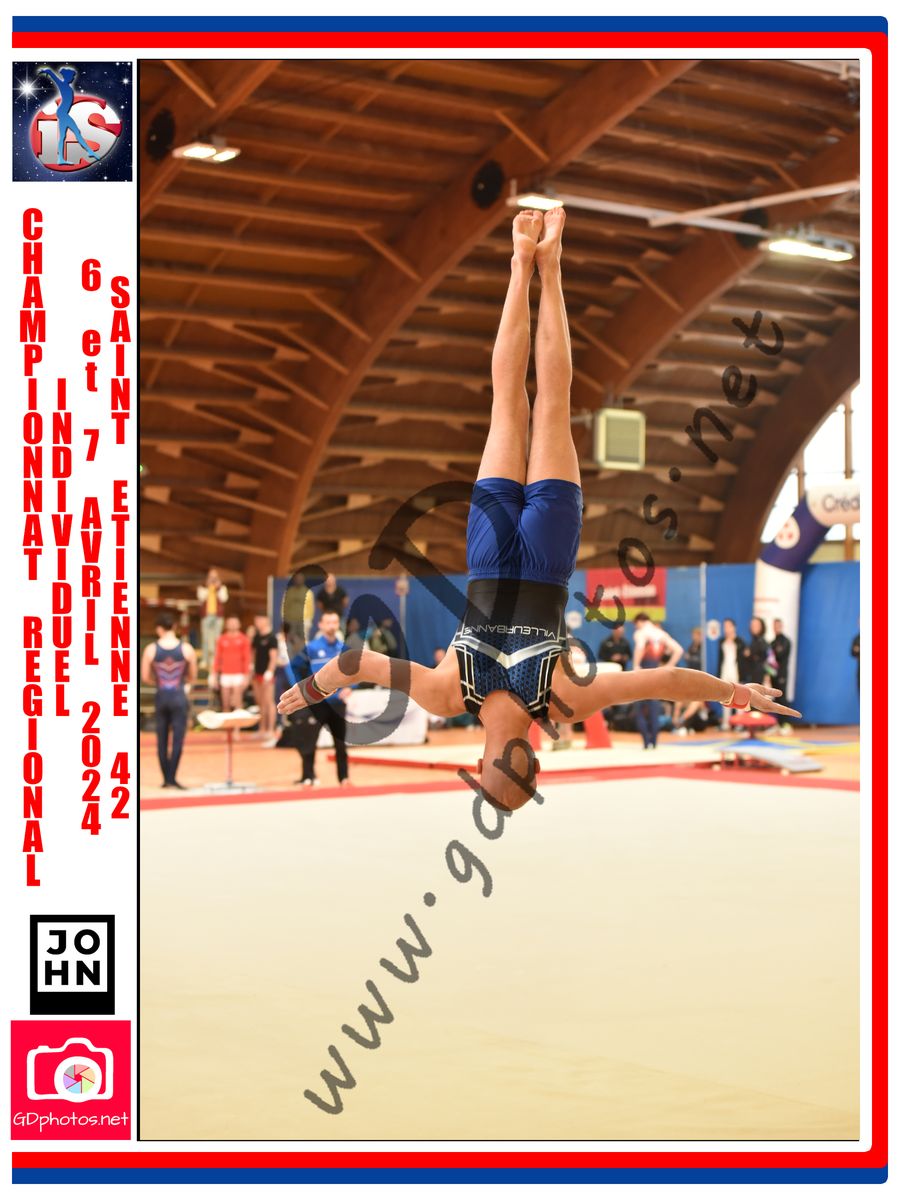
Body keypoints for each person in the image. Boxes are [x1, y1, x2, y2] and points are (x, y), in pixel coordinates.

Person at [278, 210, 798, 811]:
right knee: (507, 403)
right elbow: (353, 663)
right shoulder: (449, 695)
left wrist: (736, 694)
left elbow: (665, 681)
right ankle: (519, 261)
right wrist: (311, 687)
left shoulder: (563, 701)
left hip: (547, 557)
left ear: (536, 759)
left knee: (551, 402)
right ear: (479, 764)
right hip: (489, 555)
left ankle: (548, 264)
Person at [288, 612, 352, 787]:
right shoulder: (312, 648)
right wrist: (301, 689)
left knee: (340, 744)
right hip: (317, 704)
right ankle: (308, 776)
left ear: (338, 624)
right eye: (328, 622)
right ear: (321, 625)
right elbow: (292, 667)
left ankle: (344, 778)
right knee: (310, 741)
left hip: (337, 705)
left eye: (334, 622)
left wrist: (350, 688)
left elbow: (355, 671)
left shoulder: (343, 649)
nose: (331, 625)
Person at [141, 612, 197, 789]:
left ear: (159, 629)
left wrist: (159, 682)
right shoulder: (186, 649)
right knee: (178, 738)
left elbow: (145, 677)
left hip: (161, 696)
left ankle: (165, 779)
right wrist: (180, 682)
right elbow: (192, 676)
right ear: (174, 627)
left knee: (162, 739)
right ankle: (172, 777)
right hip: (178, 695)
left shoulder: (151, 649)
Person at [632, 614, 683, 749]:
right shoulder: (661, 634)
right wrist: (668, 666)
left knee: (639, 709)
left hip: (643, 675)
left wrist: (636, 666)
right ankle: (654, 743)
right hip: (655, 675)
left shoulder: (640, 633)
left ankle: (646, 743)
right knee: (654, 709)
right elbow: (679, 650)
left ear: (639, 622)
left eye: (635, 625)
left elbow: (640, 648)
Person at [209, 615, 251, 712]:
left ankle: (238, 722)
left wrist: (246, 676)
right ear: (226, 625)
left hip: (238, 674)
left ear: (239, 624)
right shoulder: (221, 639)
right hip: (225, 674)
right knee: (225, 703)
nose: (232, 625)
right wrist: (214, 675)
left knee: (237, 703)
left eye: (234, 623)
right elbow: (217, 658)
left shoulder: (244, 639)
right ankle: (227, 721)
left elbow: (247, 658)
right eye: (230, 623)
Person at [251, 614, 279, 745]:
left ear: (266, 621)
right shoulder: (256, 637)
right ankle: (261, 729)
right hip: (257, 672)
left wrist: (270, 671)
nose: (257, 622)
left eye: (259, 620)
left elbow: (273, 657)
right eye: (256, 620)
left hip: (267, 674)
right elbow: (254, 653)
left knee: (268, 702)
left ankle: (270, 729)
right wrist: (251, 666)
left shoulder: (272, 638)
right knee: (260, 702)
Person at [672, 627, 705, 735]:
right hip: (692, 674)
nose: (695, 637)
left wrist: (681, 720)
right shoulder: (691, 648)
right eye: (693, 635)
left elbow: (697, 705)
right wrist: (675, 716)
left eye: (697, 635)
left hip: (699, 722)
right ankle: (681, 724)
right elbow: (678, 702)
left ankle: (683, 724)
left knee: (695, 703)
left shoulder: (703, 649)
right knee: (680, 700)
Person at [717, 618, 747, 731]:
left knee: (739, 697)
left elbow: (743, 659)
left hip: (736, 671)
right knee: (726, 697)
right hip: (725, 671)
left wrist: (743, 675)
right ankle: (726, 723)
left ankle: (740, 723)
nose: (726, 629)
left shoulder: (740, 641)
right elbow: (720, 659)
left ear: (734, 627)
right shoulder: (721, 641)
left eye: (728, 626)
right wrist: (718, 674)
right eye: (724, 626)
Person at [197, 568, 228, 669]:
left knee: (217, 639)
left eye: (215, 577)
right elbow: (201, 598)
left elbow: (224, 599)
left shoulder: (222, 588)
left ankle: (216, 659)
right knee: (205, 638)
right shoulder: (202, 587)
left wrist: (218, 588)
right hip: (206, 616)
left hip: (218, 616)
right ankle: (205, 659)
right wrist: (208, 587)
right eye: (211, 577)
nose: (213, 580)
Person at [743, 616, 771, 686]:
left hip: (759, 679)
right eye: (752, 625)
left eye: (756, 625)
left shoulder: (763, 643)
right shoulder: (753, 641)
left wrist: (750, 655)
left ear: (762, 627)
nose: (753, 627)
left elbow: (767, 662)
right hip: (751, 677)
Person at [770, 618, 792, 703]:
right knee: (775, 698)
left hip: (781, 674)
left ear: (782, 626)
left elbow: (780, 655)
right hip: (773, 673)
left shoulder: (786, 641)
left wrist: (774, 652)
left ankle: (784, 713)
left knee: (782, 697)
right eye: (775, 626)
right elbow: (770, 659)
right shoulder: (772, 642)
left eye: (778, 625)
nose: (776, 628)